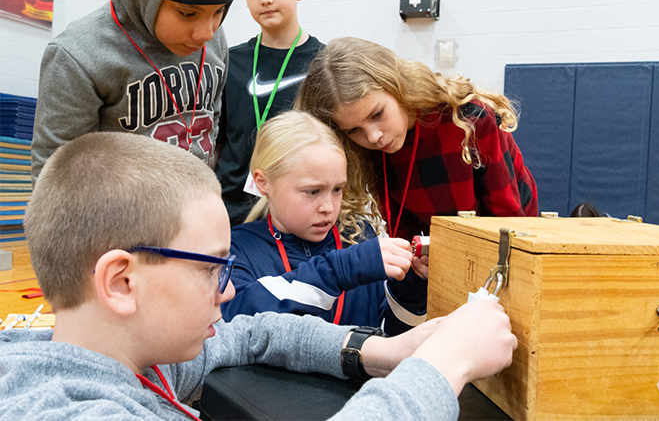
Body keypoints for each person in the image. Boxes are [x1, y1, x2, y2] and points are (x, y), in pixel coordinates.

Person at [3, 132, 518, 420]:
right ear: (121, 282)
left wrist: (377, 350)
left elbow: (251, 334)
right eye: (211, 269)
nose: (226, 290)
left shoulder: (126, 360)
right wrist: (443, 365)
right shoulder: (69, 414)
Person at [296, 37, 540, 241]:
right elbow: (402, 224)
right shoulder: (368, 149)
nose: (374, 137)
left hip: (510, 234)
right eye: (354, 130)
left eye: (378, 114)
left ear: (397, 86)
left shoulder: (470, 120)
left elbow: (508, 217)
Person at [31, 0, 247, 183]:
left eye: (219, 11)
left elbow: (213, 116)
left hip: (194, 204)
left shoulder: (215, 40)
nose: (206, 33)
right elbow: (54, 170)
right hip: (120, 213)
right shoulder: (77, 54)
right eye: (187, 13)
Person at [221, 111, 427, 336]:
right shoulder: (235, 247)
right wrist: (342, 269)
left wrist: (410, 290)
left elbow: (392, 338)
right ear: (263, 183)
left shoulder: (357, 236)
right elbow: (235, 323)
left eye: (337, 189)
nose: (328, 207)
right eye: (313, 191)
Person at [215, 0, 325, 226]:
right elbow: (218, 144)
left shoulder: (326, 63)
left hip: (298, 216)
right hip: (234, 213)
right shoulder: (230, 61)